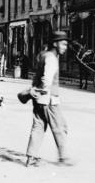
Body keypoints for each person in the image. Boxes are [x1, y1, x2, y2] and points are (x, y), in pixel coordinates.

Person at [26, 31, 72, 167]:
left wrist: (35, 91)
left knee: (38, 127)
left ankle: (30, 157)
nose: (65, 47)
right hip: (50, 99)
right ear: (55, 44)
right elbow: (47, 79)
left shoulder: (43, 55)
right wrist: (44, 91)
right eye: (63, 44)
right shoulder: (52, 58)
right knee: (60, 127)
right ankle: (63, 157)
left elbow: (36, 76)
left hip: (38, 99)